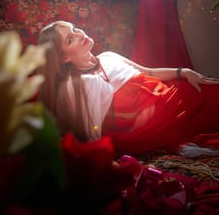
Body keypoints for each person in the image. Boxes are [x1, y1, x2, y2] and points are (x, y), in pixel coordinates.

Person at [37, 20, 219, 157]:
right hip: (154, 123)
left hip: (168, 95)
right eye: (70, 39)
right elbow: (89, 130)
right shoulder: (77, 84)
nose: (79, 34)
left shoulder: (109, 56)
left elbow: (149, 72)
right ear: (63, 58)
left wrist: (183, 72)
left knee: (209, 89)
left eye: (75, 29)